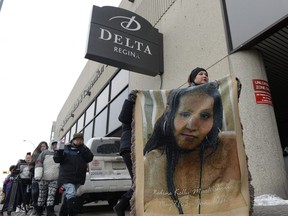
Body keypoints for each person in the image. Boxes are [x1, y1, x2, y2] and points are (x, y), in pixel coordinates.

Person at [143, 82, 246, 214]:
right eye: (185, 114)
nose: (191, 125)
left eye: (204, 116)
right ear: (169, 113)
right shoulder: (151, 164)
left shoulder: (228, 148)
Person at [53, 132, 93, 216]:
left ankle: (62, 214)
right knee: (71, 194)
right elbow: (57, 159)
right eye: (77, 140)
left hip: (78, 177)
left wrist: (82, 148)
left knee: (69, 196)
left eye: (81, 140)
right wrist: (59, 151)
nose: (79, 141)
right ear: (73, 140)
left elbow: (90, 158)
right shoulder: (66, 148)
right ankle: (72, 214)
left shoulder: (83, 149)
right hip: (66, 177)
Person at [113, 90, 137, 216]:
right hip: (129, 147)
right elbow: (122, 118)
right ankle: (121, 205)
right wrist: (130, 100)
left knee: (138, 181)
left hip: (139, 148)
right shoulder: (130, 111)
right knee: (138, 181)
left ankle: (121, 205)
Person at [34, 141, 59, 216]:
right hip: (43, 178)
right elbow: (39, 163)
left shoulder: (61, 154)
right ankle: (39, 211)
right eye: (54, 145)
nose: (55, 146)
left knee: (51, 195)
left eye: (57, 145)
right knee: (42, 195)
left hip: (55, 178)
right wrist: (38, 175)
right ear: (51, 145)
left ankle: (50, 211)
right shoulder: (44, 153)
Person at [31, 141, 48, 214]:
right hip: (36, 176)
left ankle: (41, 208)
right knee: (35, 192)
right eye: (41, 146)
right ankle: (35, 207)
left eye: (44, 146)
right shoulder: (35, 155)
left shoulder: (48, 154)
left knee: (43, 193)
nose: (43, 148)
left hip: (45, 176)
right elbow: (31, 164)